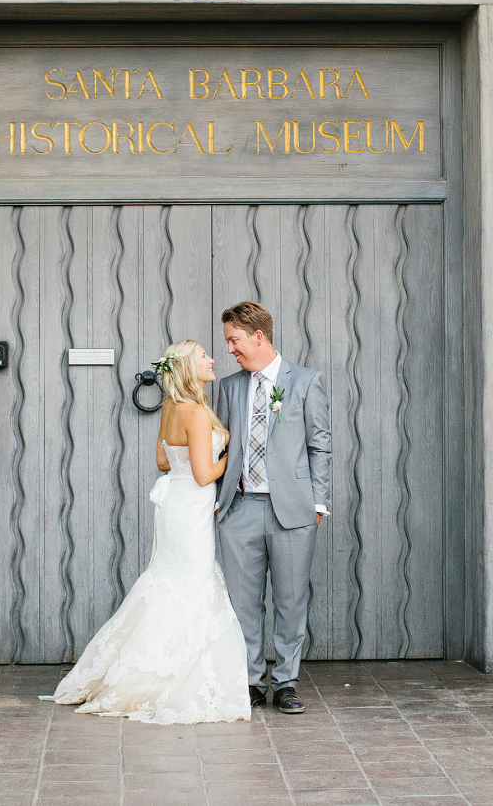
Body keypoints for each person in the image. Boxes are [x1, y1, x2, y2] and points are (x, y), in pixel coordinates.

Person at [43, 340, 250, 724]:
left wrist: (195, 463)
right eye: (204, 356)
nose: (212, 359)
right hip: (191, 509)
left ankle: (143, 667)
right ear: (189, 367)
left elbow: (162, 460)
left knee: (169, 581)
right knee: (191, 584)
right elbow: (205, 474)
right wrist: (231, 457)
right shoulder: (197, 414)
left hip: (175, 505)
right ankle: (166, 674)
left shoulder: (173, 406)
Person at [216, 301, 332, 714]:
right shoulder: (230, 387)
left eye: (234, 340)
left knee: (290, 601)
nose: (229, 349)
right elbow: (224, 448)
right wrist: (217, 503)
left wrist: (318, 502)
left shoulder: (304, 381)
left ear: (258, 336)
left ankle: (285, 683)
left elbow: (320, 445)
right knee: (244, 603)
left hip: (294, 512)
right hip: (240, 509)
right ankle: (248, 682)